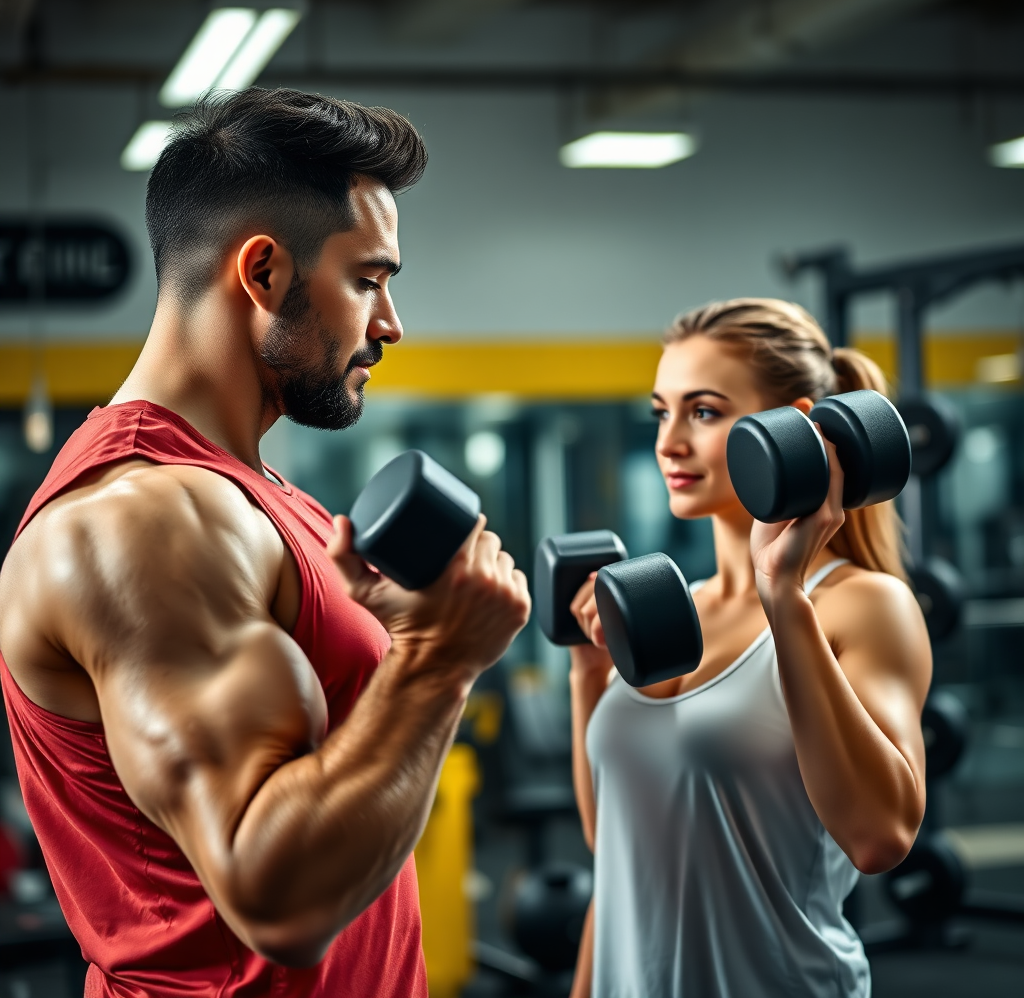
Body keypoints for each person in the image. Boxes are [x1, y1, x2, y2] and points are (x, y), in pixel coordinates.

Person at [0, 88, 531, 997]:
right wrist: (439, 662)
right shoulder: (140, 523)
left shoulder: (256, 497)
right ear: (264, 273)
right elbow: (274, 898)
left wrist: (408, 642)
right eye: (368, 279)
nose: (392, 323)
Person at [568, 299, 932, 998]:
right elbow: (618, 847)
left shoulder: (860, 604)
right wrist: (591, 677)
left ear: (787, 428)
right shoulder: (674, 609)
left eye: (703, 412)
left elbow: (880, 836)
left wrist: (782, 592)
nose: (669, 442)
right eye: (660, 411)